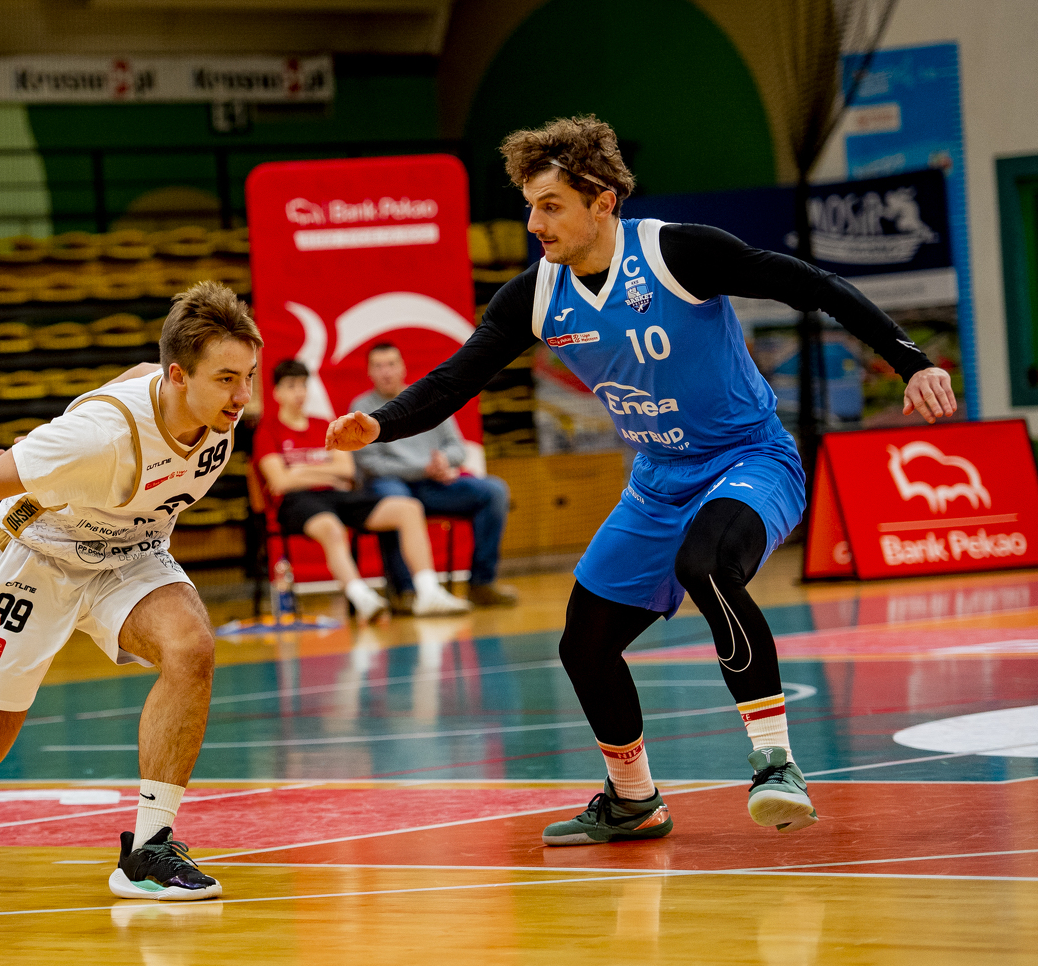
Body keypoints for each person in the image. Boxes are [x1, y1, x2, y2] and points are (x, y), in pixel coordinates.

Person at [327, 116, 957, 845]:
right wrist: (380, 424)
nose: (534, 224)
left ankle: (776, 765)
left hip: (749, 460)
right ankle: (634, 800)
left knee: (706, 566)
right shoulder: (537, 295)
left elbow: (812, 285)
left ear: (603, 202)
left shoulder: (676, 254)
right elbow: (453, 380)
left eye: (550, 205)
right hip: (657, 482)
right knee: (583, 645)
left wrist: (911, 361)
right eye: (529, 206)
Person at [0, 281, 264, 901]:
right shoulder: (96, 439)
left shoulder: (207, 411)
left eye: (248, 377)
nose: (242, 396)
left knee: (191, 647)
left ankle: (148, 851)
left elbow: (134, 376)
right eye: (226, 379)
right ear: (179, 376)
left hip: (130, 553)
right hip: (41, 556)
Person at [255, 358, 470, 622]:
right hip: (296, 502)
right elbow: (280, 482)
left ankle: (429, 593)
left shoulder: (323, 424)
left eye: (302, 385)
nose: (298, 392)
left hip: (339, 496)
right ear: (276, 392)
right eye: (291, 386)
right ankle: (364, 599)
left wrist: (300, 472)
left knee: (409, 508)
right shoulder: (268, 430)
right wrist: (323, 473)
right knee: (332, 528)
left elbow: (347, 470)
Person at [351, 342, 518, 610]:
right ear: (369, 372)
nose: (386, 372)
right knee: (397, 501)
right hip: (390, 485)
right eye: (379, 366)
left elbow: (457, 448)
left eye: (391, 364)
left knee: (494, 491)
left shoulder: (426, 399)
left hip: (432, 485)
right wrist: (422, 468)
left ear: (403, 367)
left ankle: (482, 584)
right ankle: (406, 592)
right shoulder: (361, 408)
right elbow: (371, 464)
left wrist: (444, 461)